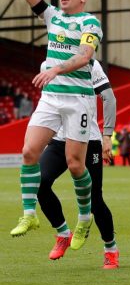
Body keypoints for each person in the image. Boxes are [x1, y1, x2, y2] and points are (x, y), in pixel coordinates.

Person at [10, 0, 103, 254]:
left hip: (77, 100)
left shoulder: (89, 22)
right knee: (28, 152)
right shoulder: (52, 16)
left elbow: (84, 56)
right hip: (51, 98)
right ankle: (29, 215)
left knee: (76, 165)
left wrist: (55, 69)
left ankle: (85, 218)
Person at [37, 60, 119, 268]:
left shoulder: (91, 64)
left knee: (95, 200)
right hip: (60, 139)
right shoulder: (47, 64)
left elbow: (108, 97)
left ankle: (110, 249)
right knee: (39, 182)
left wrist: (107, 135)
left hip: (88, 140)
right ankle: (63, 233)